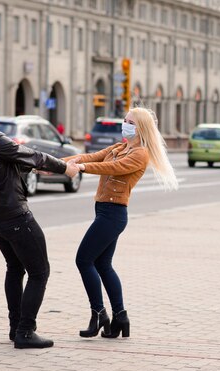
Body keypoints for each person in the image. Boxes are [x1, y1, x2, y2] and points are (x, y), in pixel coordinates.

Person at [0, 85, 80, 349]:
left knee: (15, 268)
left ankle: (15, 327)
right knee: (40, 271)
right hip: (15, 216)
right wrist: (64, 168)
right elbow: (32, 155)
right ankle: (25, 331)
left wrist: (32, 169)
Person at [64, 107, 178, 339]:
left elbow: (111, 167)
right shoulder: (120, 147)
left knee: (84, 260)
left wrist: (82, 168)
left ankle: (99, 314)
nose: (124, 124)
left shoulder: (140, 154)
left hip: (113, 214)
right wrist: (55, 163)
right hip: (104, 211)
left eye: (129, 121)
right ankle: (120, 317)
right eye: (124, 120)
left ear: (140, 128)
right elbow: (88, 156)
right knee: (103, 265)